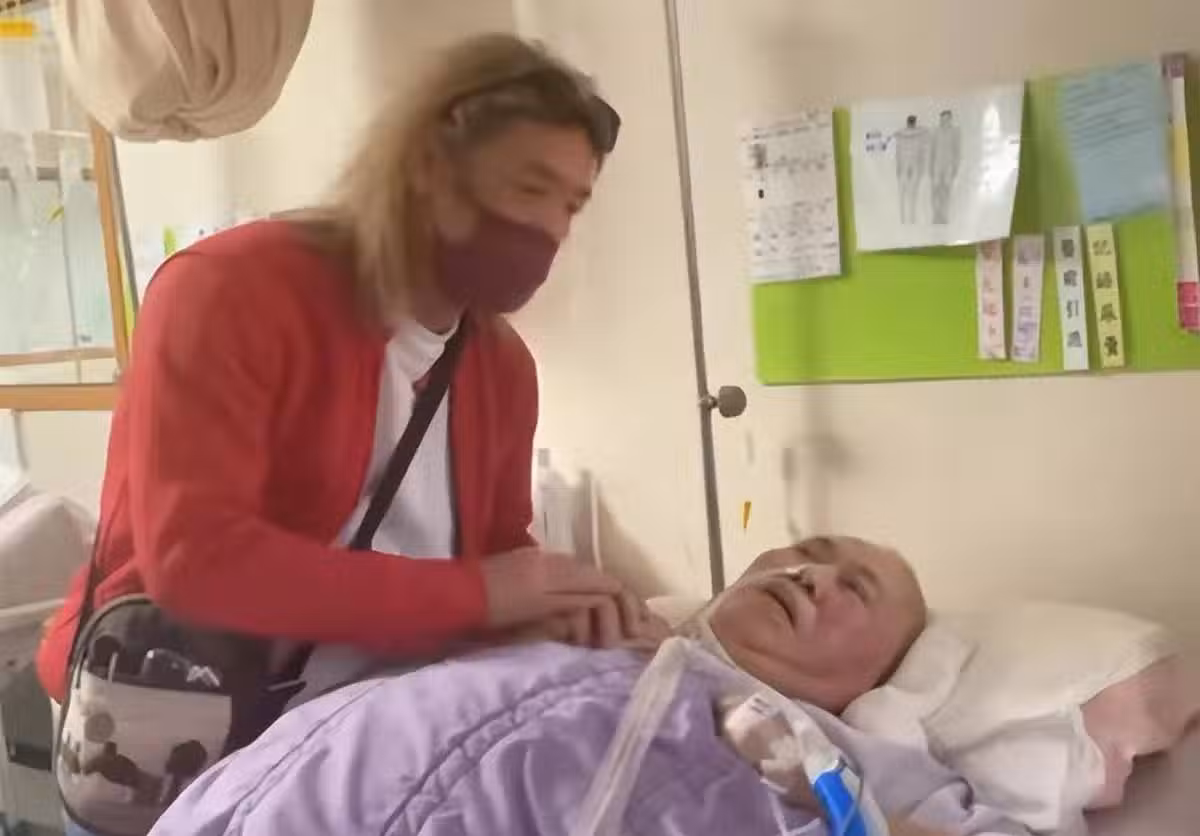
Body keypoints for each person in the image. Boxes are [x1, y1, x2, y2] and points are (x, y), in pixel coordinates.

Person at [40, 33, 670, 834]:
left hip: (352, 759)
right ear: (430, 167)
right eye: (530, 186)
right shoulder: (229, 292)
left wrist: (555, 611)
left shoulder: (501, 368)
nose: (550, 226)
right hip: (176, 739)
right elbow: (196, 561)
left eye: (572, 205)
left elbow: (493, 553)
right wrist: (487, 594)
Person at [148, 537, 1032, 836]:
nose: (811, 573)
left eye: (855, 589)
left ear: (881, 673)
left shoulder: (848, 754)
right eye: (808, 550)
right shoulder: (583, 627)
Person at [895, 115, 931, 225]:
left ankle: (911, 220)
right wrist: (898, 168)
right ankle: (903, 220)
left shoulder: (916, 134)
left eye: (912, 122)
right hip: (904, 167)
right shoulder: (902, 134)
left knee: (912, 195)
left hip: (913, 166)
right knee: (903, 195)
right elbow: (898, 153)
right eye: (910, 122)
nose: (911, 124)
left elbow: (926, 131)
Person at [930, 110, 961, 225]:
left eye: (947, 119)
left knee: (946, 191)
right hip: (937, 165)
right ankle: (936, 214)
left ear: (950, 119)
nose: (944, 121)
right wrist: (930, 167)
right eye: (942, 119)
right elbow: (932, 150)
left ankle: (944, 215)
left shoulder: (955, 132)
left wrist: (956, 167)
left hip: (949, 165)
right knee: (935, 190)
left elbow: (957, 151)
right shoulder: (936, 131)